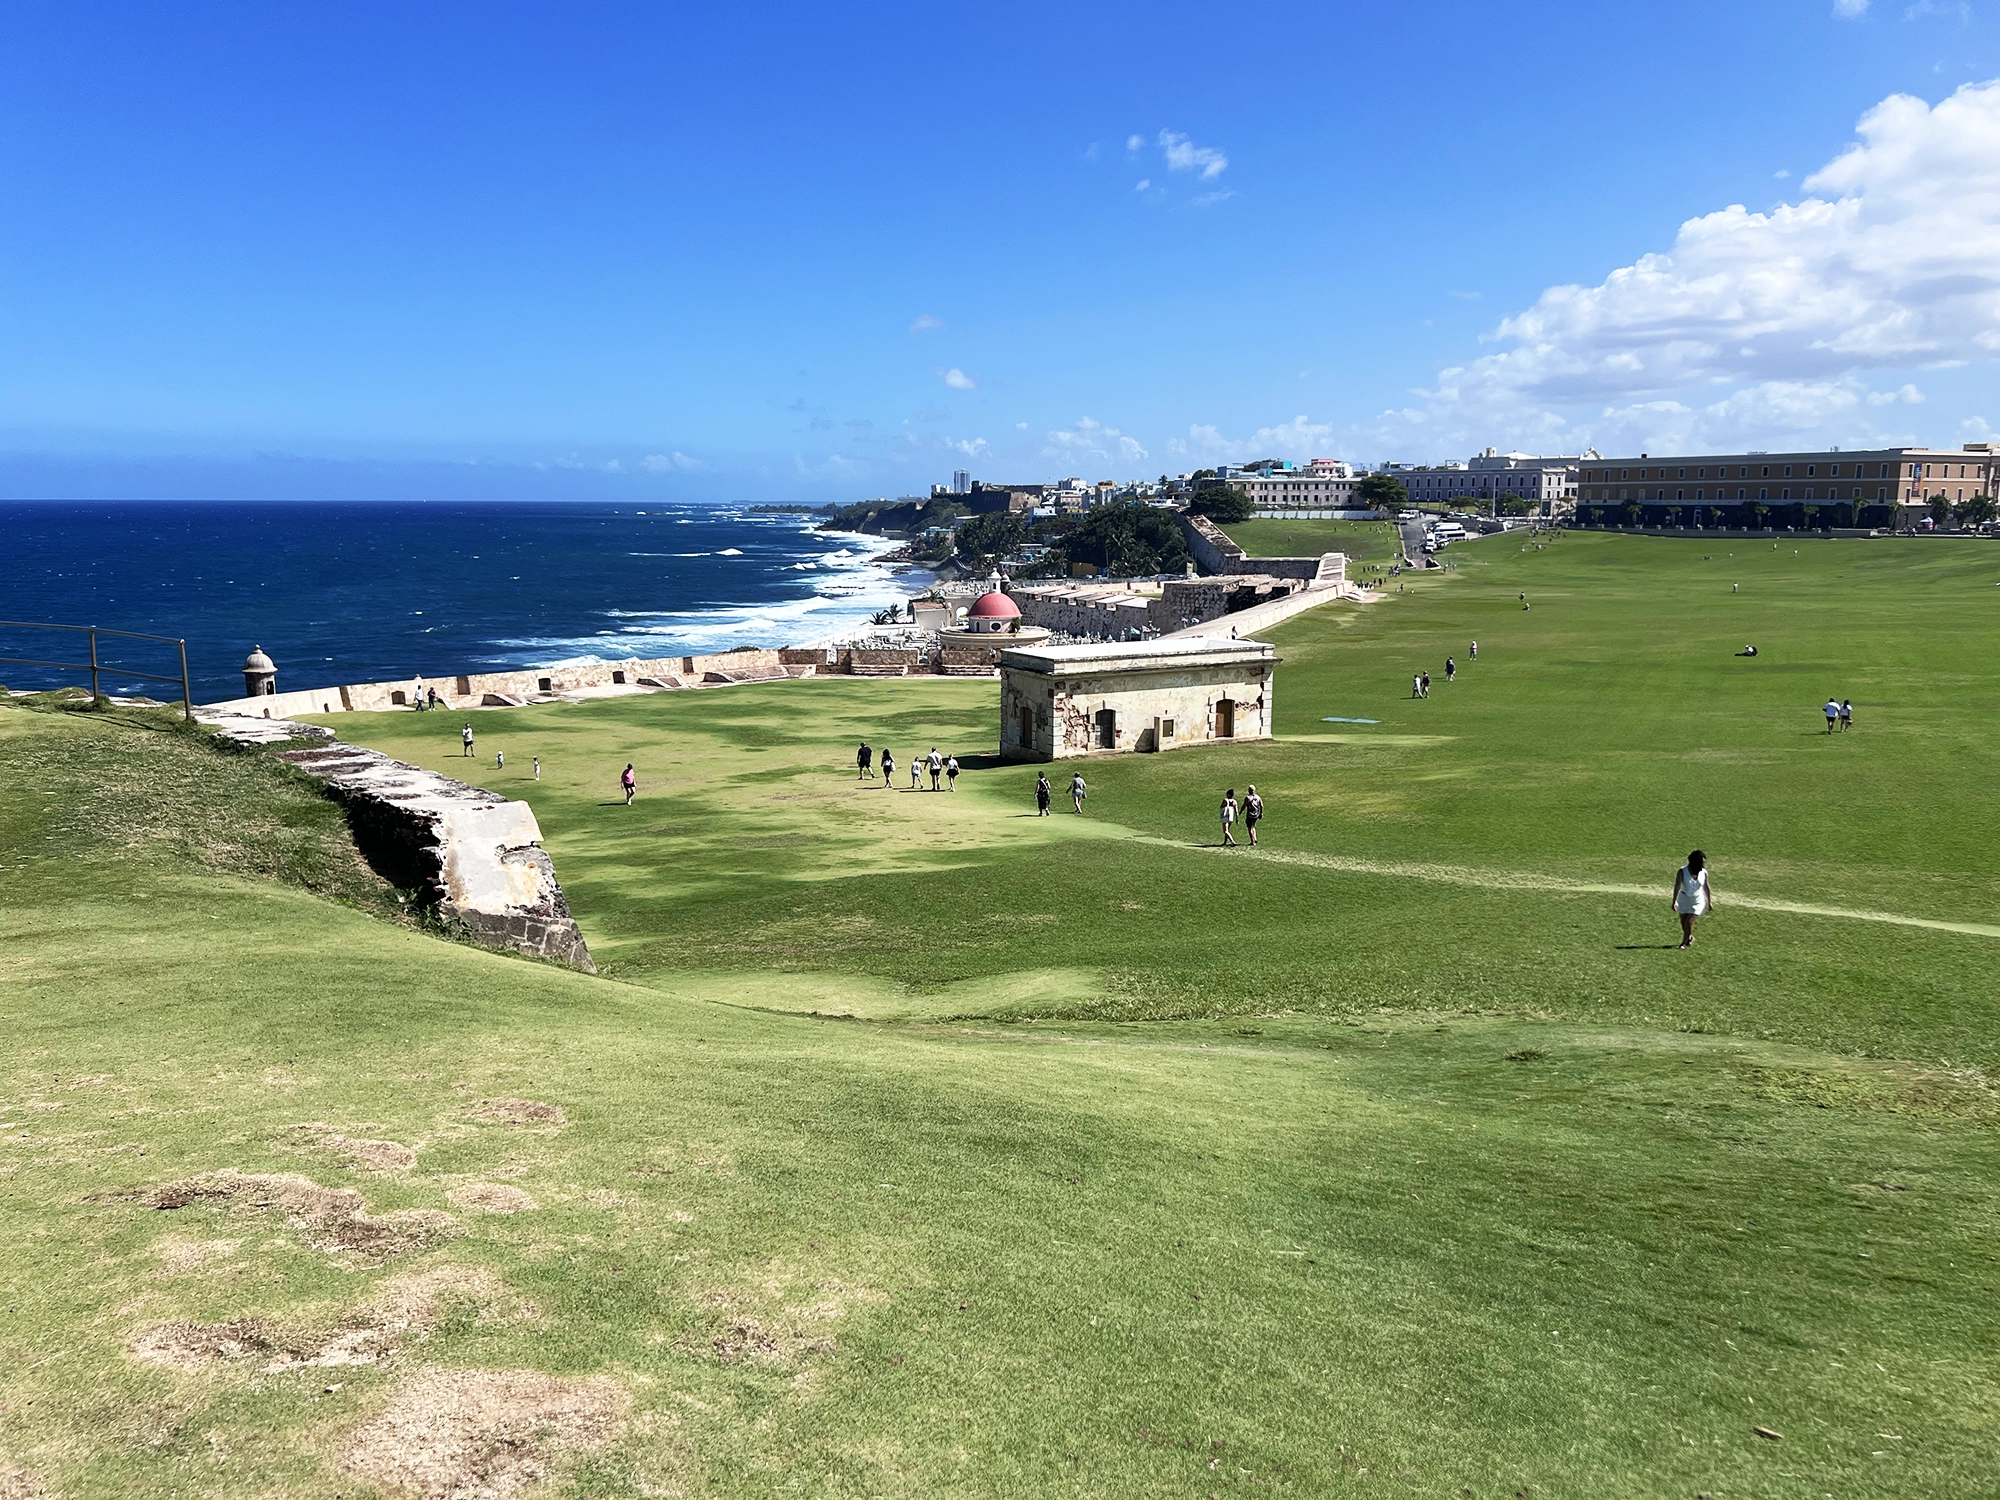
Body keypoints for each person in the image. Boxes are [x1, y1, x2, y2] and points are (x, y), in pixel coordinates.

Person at [1671, 849, 1714, 949]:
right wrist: (1674, 901)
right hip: (1684, 899)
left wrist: (1709, 901)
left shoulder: (1704, 873)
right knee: (1683, 923)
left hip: (1697, 900)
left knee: (1689, 922)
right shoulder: (1682, 871)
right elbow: (1677, 886)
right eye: (1702, 862)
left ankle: (1684, 943)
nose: (1703, 865)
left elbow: (1706, 887)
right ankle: (1689, 937)